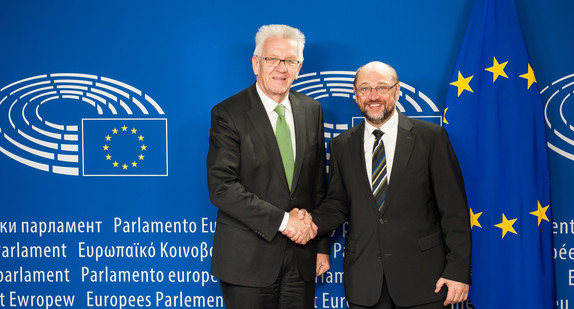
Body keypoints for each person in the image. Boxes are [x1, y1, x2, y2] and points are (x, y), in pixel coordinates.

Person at [286, 61, 471, 309]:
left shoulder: (431, 138)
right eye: (365, 89)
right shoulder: (342, 145)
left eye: (382, 88)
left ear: (397, 91)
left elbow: (454, 210)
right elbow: (338, 204)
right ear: (355, 94)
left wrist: (458, 271)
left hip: (424, 280)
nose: (373, 96)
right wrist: (309, 222)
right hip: (365, 282)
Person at [206, 24, 330, 309]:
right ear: (256, 63)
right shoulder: (228, 113)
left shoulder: (312, 110)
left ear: (299, 67)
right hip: (247, 262)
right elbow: (222, 188)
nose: (281, 68)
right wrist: (286, 222)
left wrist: (320, 247)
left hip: (302, 261)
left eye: (290, 61)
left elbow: (317, 186)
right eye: (272, 59)